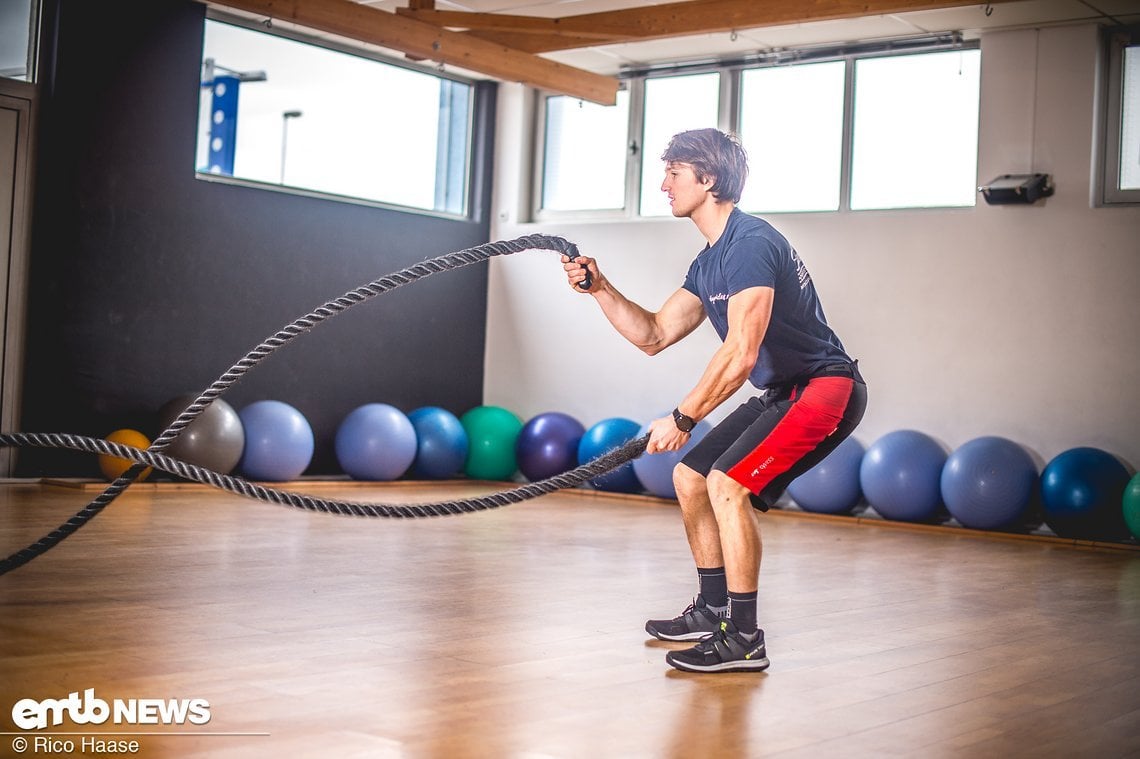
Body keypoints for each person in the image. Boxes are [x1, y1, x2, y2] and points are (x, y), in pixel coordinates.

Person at [562, 128, 867, 674]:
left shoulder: (751, 242)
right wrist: (601, 288)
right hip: (786, 391)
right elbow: (653, 334)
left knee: (728, 484)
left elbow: (742, 352)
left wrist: (684, 417)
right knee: (690, 477)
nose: (663, 184)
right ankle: (713, 608)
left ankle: (745, 639)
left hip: (826, 389)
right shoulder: (709, 262)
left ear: (709, 178)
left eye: (674, 172)